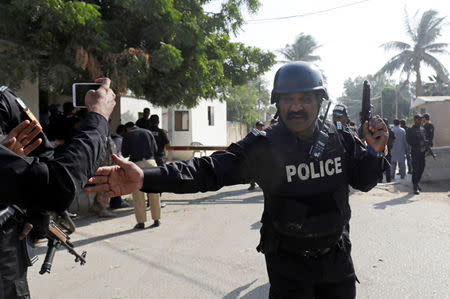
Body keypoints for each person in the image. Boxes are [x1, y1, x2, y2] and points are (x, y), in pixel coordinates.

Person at [87, 62, 388, 298]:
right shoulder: (263, 146)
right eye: (288, 100)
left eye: (305, 98)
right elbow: (207, 171)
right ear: (277, 104)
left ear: (319, 101)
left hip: (336, 261)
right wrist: (145, 178)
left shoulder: (342, 140)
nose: (296, 107)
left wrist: (375, 154)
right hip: (288, 266)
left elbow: (364, 181)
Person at [0, 78, 115, 299]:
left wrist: (36, 212)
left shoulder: (5, 100)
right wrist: (99, 116)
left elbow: (41, 152)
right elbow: (58, 185)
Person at [121, 122, 161, 229]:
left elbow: (124, 153)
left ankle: (141, 222)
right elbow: (156, 149)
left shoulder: (128, 135)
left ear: (127, 129)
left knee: (138, 194)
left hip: (136, 164)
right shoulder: (148, 132)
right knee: (154, 192)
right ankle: (157, 219)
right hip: (151, 162)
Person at [406, 114, 427, 194]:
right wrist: (418, 143)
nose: (420, 121)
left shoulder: (423, 129)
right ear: (415, 120)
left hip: (422, 152)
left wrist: (427, 148)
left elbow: (425, 140)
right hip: (415, 152)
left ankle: (416, 182)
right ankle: (415, 186)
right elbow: (409, 141)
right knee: (416, 169)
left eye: (421, 120)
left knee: (422, 168)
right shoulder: (410, 130)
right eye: (419, 120)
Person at [248, 121, 265, 191]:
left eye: (262, 126)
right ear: (257, 126)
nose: (261, 127)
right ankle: (252, 185)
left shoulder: (263, 133)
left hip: (261, 155)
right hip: (254, 154)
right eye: (260, 126)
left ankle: (262, 184)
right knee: (253, 170)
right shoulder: (253, 133)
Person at [380, 118, 395, 183]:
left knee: (380, 165)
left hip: (381, 150)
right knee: (388, 165)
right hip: (388, 149)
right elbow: (394, 139)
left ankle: (380, 180)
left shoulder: (380, 131)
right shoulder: (390, 131)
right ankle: (388, 180)